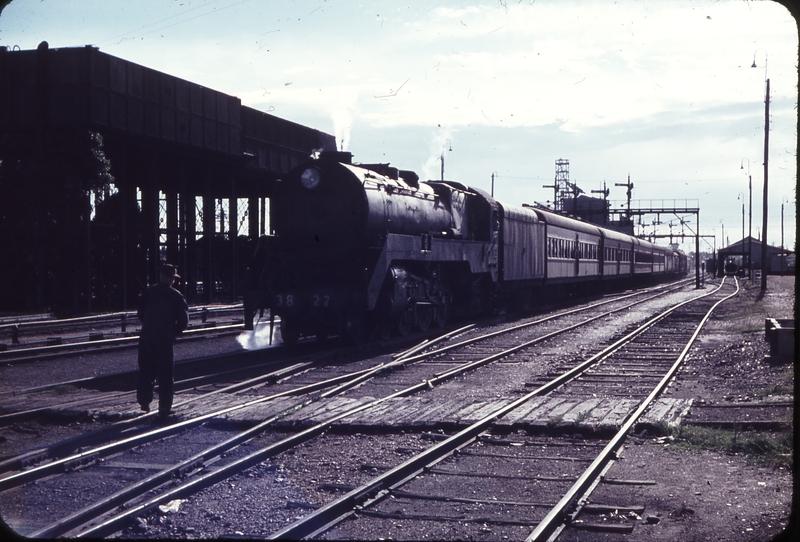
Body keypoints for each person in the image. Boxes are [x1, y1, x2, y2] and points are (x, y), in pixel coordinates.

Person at [136, 263, 189, 418]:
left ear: (160, 275)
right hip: (165, 341)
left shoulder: (148, 292)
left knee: (146, 372)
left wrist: (149, 326)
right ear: (172, 278)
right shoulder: (176, 296)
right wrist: (175, 332)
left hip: (146, 338)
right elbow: (184, 320)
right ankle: (164, 408)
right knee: (165, 376)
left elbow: (140, 314)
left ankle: (144, 402)